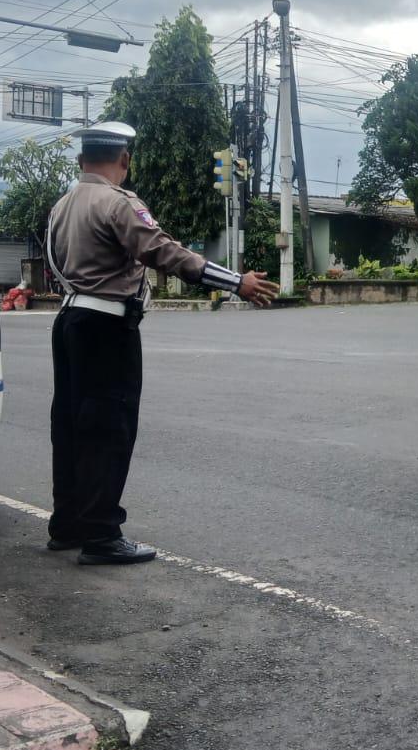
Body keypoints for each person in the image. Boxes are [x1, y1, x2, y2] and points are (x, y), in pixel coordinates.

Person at [44, 123, 276, 565]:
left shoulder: (62, 206)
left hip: (69, 320)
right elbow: (165, 252)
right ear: (124, 160)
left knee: (71, 426)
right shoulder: (118, 203)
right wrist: (236, 282)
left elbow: (54, 260)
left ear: (80, 161)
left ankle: (68, 524)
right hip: (107, 327)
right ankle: (101, 535)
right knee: (108, 429)